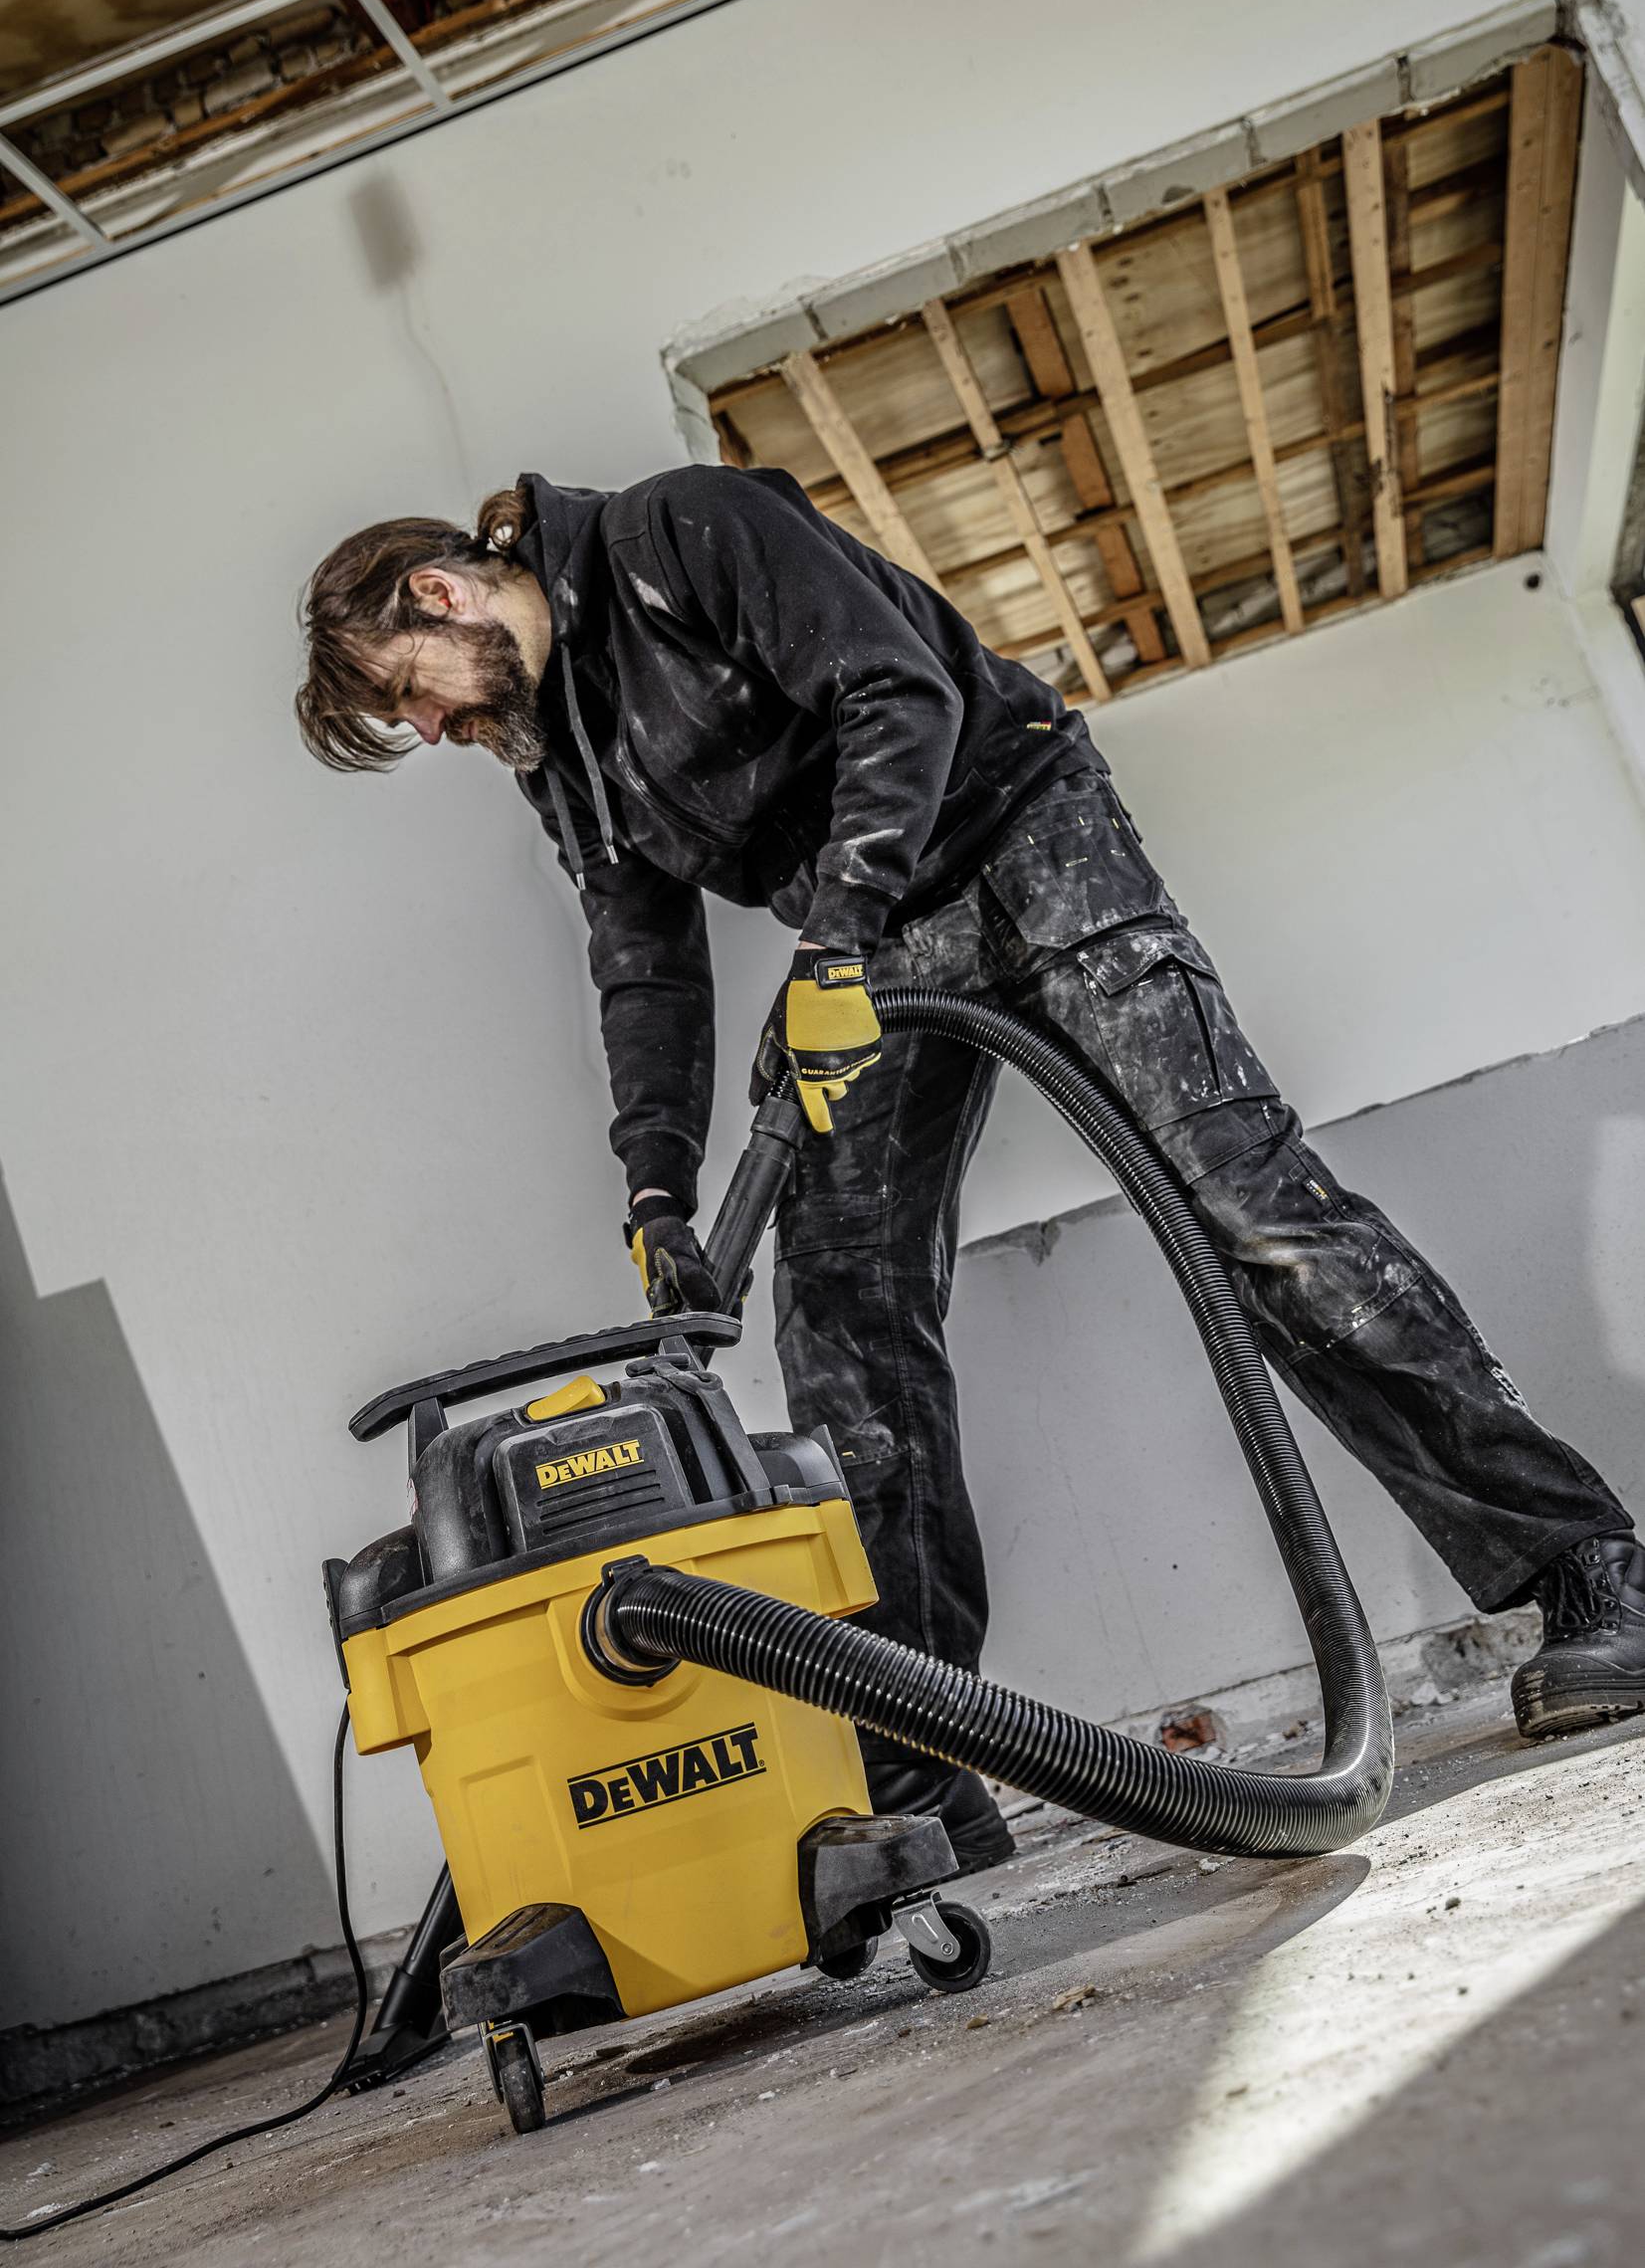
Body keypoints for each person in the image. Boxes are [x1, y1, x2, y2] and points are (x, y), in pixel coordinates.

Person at [298, 463, 1645, 1868]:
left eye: (409, 692)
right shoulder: (554, 746)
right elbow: (639, 963)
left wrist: (831, 945)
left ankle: (1588, 1575)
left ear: (439, 594)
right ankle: (920, 1758)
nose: (433, 726)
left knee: (1249, 1212)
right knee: (841, 1313)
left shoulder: (676, 532)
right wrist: (656, 1187)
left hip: (1024, 833)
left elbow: (898, 690)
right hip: (866, 936)